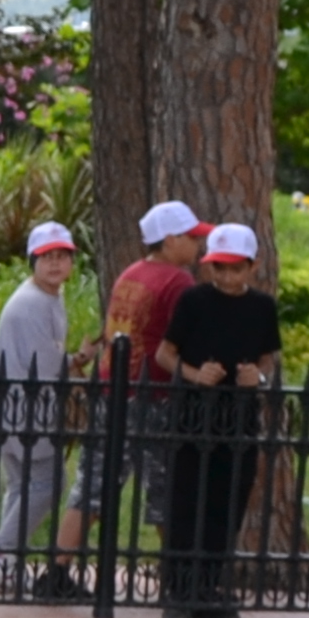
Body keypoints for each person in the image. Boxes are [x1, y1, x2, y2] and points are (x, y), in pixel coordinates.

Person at [159, 220, 281, 618]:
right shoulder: (194, 301)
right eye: (220, 268)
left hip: (238, 420)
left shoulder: (262, 307)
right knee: (186, 502)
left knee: (225, 505)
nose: (227, 277)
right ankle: (178, 589)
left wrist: (257, 377)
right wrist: (195, 375)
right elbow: (165, 353)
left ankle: (209, 586)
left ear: (251, 267)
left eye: (236, 269)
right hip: (193, 418)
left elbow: (268, 357)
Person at [80, 197, 205, 582]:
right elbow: (182, 338)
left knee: (92, 486)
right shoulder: (178, 281)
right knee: (165, 488)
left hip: (112, 387)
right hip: (153, 395)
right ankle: (177, 573)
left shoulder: (132, 272)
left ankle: (60, 566)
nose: (199, 245)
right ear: (169, 240)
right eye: (191, 237)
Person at [0, 220, 86, 596]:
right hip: (22, 406)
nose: (56, 264)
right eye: (47, 257)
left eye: (62, 256)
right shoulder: (31, 304)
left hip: (21, 403)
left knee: (23, 484)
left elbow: (49, 357)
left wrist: (74, 359)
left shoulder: (49, 297)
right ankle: (2, 553)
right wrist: (74, 368)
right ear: (34, 261)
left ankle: (6, 561)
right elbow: (43, 367)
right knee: (47, 482)